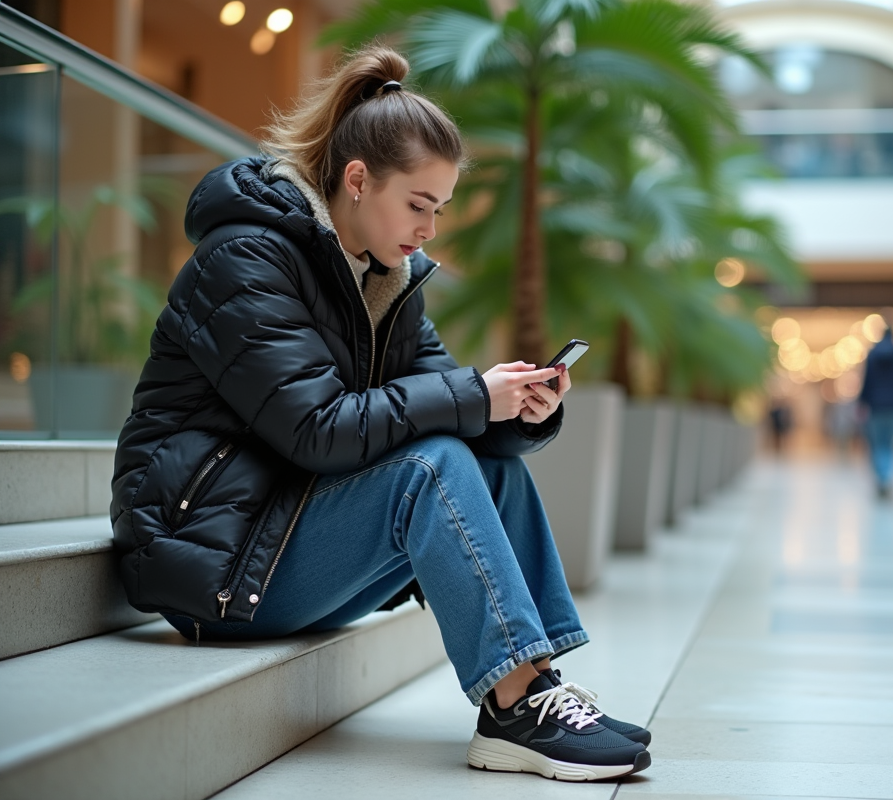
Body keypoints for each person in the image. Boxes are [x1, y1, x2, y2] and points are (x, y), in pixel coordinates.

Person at [110, 47, 651, 782]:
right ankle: (515, 708)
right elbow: (316, 429)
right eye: (418, 205)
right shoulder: (243, 262)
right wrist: (471, 394)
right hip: (214, 565)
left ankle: (536, 684)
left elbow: (440, 398)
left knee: (488, 466)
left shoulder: (381, 278)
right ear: (358, 180)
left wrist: (519, 410)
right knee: (433, 467)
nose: (429, 229)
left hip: (286, 531)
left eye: (439, 210)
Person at [858, 316, 893, 498]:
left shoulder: (872, 356)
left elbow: (867, 382)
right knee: (891, 444)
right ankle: (887, 477)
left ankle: (882, 478)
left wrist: (862, 402)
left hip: (876, 408)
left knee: (878, 444)